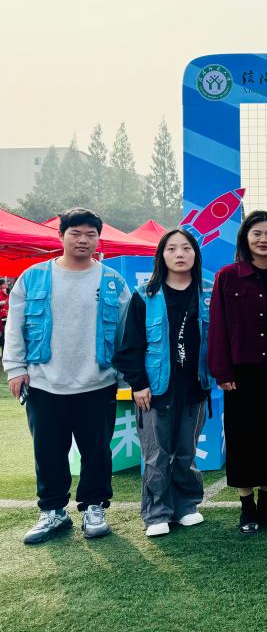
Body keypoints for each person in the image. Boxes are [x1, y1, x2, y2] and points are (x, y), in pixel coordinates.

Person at [3, 208, 130, 545]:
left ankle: (94, 507)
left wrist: (125, 377)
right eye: (75, 233)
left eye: (91, 234)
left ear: (98, 239)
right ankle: (53, 511)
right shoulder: (33, 277)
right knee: (48, 452)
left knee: (97, 452)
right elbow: (15, 327)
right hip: (44, 383)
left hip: (97, 383)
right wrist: (15, 368)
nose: (83, 240)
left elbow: (125, 331)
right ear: (61, 236)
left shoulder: (112, 281)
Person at [113, 229, 212, 537]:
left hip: (195, 386)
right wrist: (138, 383)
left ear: (195, 254)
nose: (179, 254)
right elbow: (129, 345)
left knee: (186, 451)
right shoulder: (145, 295)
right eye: (171, 249)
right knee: (156, 454)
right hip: (155, 388)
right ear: (161, 256)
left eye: (186, 248)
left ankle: (186, 506)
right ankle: (156, 512)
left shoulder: (208, 293)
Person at [208, 211, 267, 534]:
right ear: (245, 238)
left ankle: (266, 506)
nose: (264, 240)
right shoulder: (228, 277)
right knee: (243, 439)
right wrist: (222, 371)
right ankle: (247, 508)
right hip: (240, 374)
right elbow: (217, 326)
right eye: (257, 233)